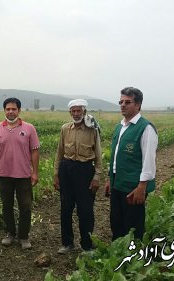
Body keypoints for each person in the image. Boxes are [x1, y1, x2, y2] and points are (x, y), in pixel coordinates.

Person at [105, 87, 158, 241]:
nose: (123, 105)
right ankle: (118, 253)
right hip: (117, 183)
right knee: (116, 221)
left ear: (138, 105)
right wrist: (110, 178)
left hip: (133, 187)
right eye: (121, 101)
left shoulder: (146, 128)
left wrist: (142, 187)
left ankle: (133, 257)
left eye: (128, 102)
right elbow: (115, 157)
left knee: (132, 225)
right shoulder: (120, 127)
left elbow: (148, 161)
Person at [0, 97, 40, 250]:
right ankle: (10, 233)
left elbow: (35, 151)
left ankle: (24, 236)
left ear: (19, 110)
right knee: (7, 206)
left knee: (25, 206)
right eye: (8, 109)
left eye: (14, 109)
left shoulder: (29, 128)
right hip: (3, 174)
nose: (11, 112)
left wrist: (35, 172)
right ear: (4, 110)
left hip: (23, 175)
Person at [53, 99, 102, 254]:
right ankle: (67, 243)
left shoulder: (92, 130)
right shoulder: (65, 129)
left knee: (85, 210)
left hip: (85, 171)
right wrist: (56, 174)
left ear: (84, 112)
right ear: (70, 113)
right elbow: (59, 153)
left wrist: (97, 177)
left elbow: (99, 156)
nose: (76, 114)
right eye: (73, 111)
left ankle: (87, 244)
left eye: (78, 111)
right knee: (65, 208)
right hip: (66, 170)